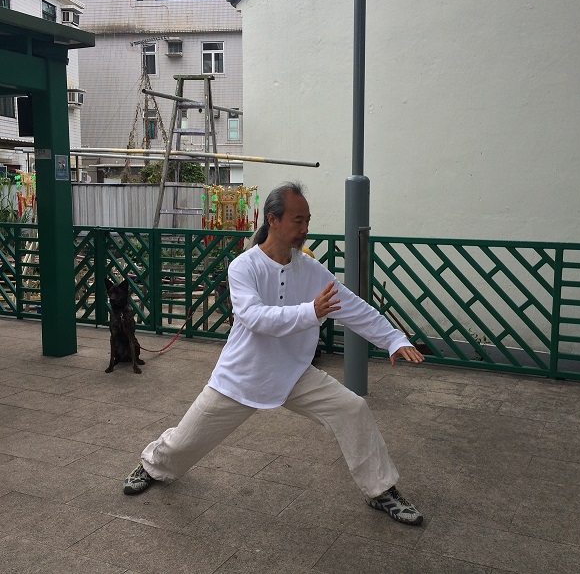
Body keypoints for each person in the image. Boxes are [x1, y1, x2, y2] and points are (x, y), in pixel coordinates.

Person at [124, 181, 425, 526]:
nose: (305, 228)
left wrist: (393, 338)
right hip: (243, 374)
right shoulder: (244, 267)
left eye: (308, 220)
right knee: (183, 442)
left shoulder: (310, 270)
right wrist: (310, 311)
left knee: (352, 408)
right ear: (273, 220)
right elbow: (254, 318)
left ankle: (381, 490)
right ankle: (152, 464)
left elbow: (352, 307)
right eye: (298, 220)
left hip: (294, 373)